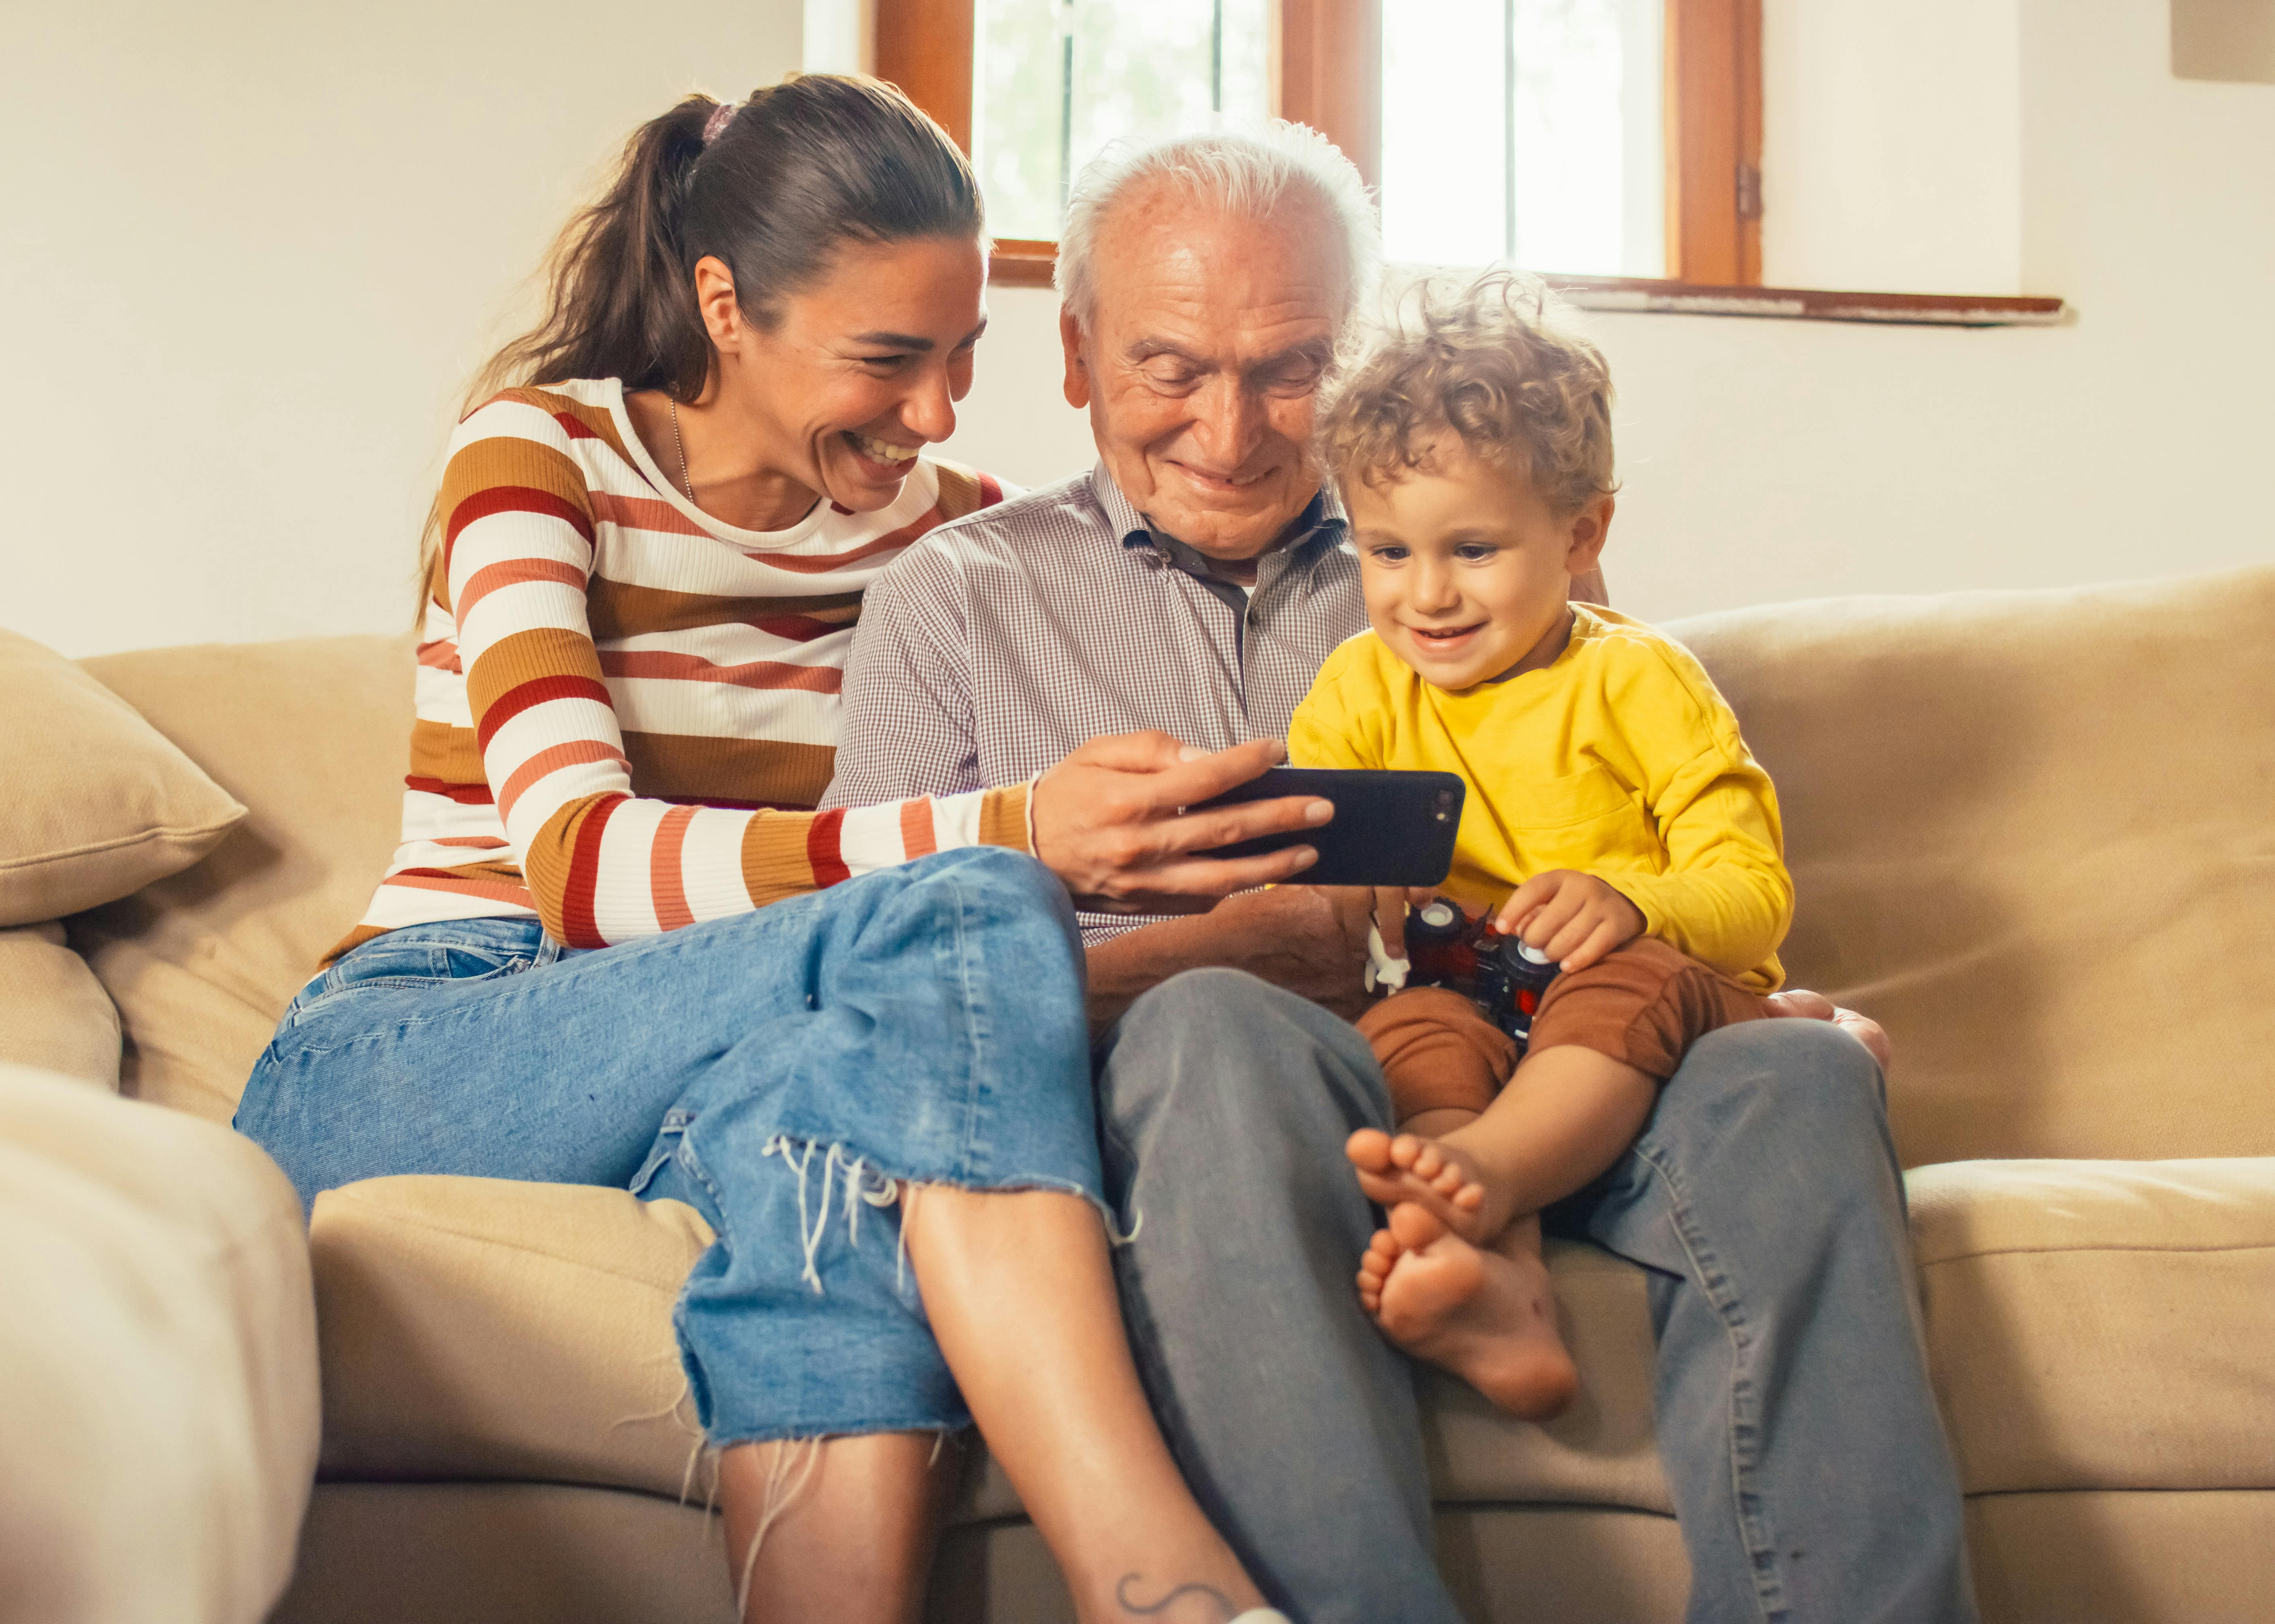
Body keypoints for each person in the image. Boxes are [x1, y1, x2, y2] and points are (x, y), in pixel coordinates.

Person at [827, 124, 1976, 1622]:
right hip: (1223, 1087)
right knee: (1214, 1030)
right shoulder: (950, 601)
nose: (1232, 433)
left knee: (1806, 1082)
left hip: (1536, 1037)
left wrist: (1718, 983)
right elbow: (875, 984)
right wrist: (1222, 954)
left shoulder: (1478, 538)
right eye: (1172, 368)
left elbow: (1634, 841)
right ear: (1077, 354)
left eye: (1291, 368)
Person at [232, 74, 1329, 1624]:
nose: (937, 415)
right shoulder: (539, 459)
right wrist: (1017, 831)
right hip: (435, 1031)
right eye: (887, 359)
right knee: (958, 907)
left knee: (851, 1158)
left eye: (962, 360)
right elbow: (581, 871)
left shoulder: (960, 540)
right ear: (725, 305)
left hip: (739, 1052)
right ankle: (1150, 1571)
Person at [1289, 272, 1786, 1425]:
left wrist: (1634, 902)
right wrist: (1346, 898)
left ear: (1582, 532)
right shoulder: (1358, 688)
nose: (1427, 595)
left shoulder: (1638, 679)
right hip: (1467, 993)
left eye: (1472, 548)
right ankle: (1500, 1281)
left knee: (1624, 983)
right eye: (1387, 552)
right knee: (1408, 1026)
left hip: (1634, 1002)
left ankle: (1493, 1177)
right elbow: (1310, 885)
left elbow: (1755, 892)